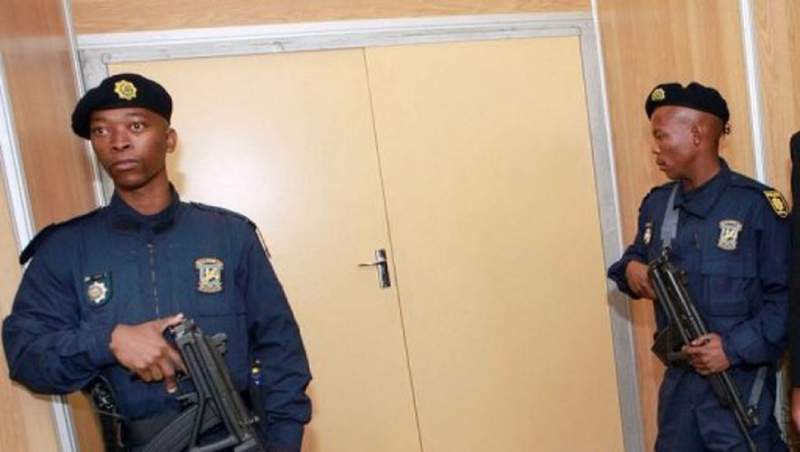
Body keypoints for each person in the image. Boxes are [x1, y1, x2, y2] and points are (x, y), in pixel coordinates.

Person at [2, 73, 311, 451]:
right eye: (101, 131)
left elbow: (281, 350)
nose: (118, 142)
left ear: (169, 140)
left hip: (240, 438)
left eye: (136, 126)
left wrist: (284, 443)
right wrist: (108, 341)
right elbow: (25, 356)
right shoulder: (64, 249)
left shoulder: (230, 236)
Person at [607, 81, 788, 451]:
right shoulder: (658, 205)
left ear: (697, 134)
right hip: (679, 395)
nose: (655, 147)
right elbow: (631, 259)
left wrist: (732, 348)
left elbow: (787, 301)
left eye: (661, 135)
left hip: (738, 390)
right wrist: (632, 271)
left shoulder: (756, 206)